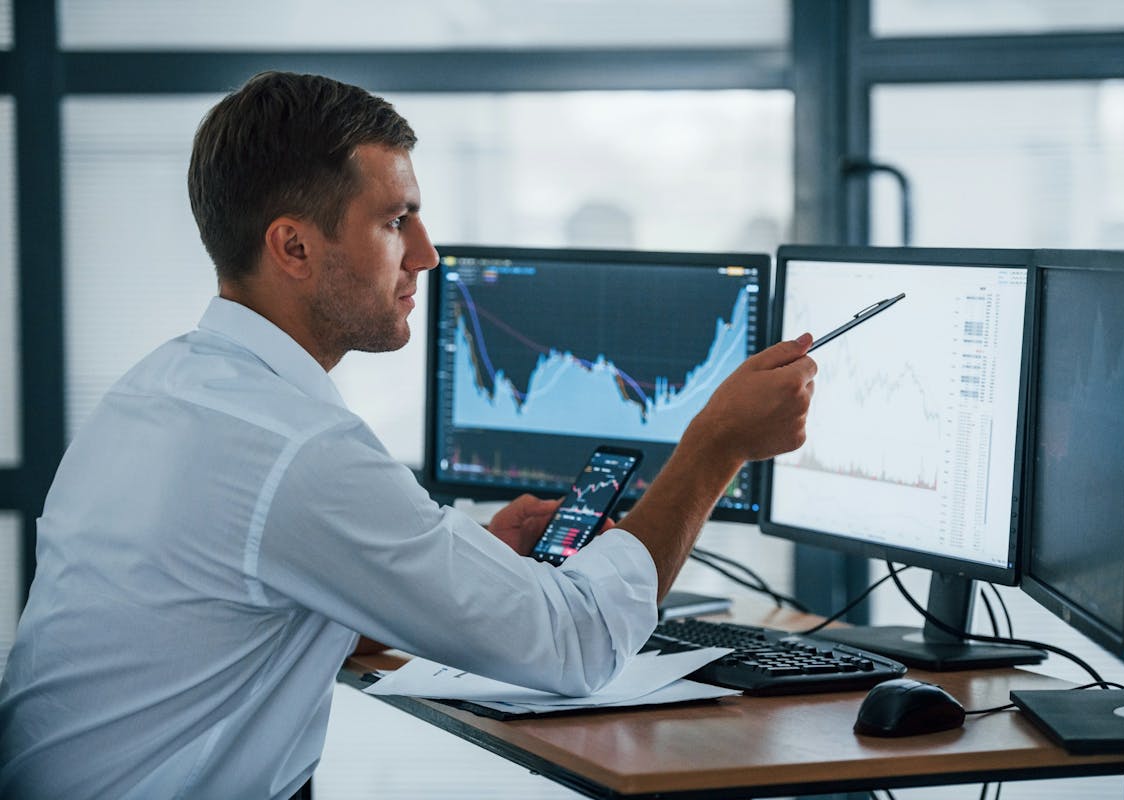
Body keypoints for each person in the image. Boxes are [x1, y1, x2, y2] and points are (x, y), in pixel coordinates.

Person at [0, 71, 817, 799]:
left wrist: (462, 562)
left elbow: (227, 610)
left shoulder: (160, 389)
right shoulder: (297, 448)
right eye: (396, 221)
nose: (425, 255)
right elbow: (576, 645)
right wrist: (716, 446)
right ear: (293, 246)